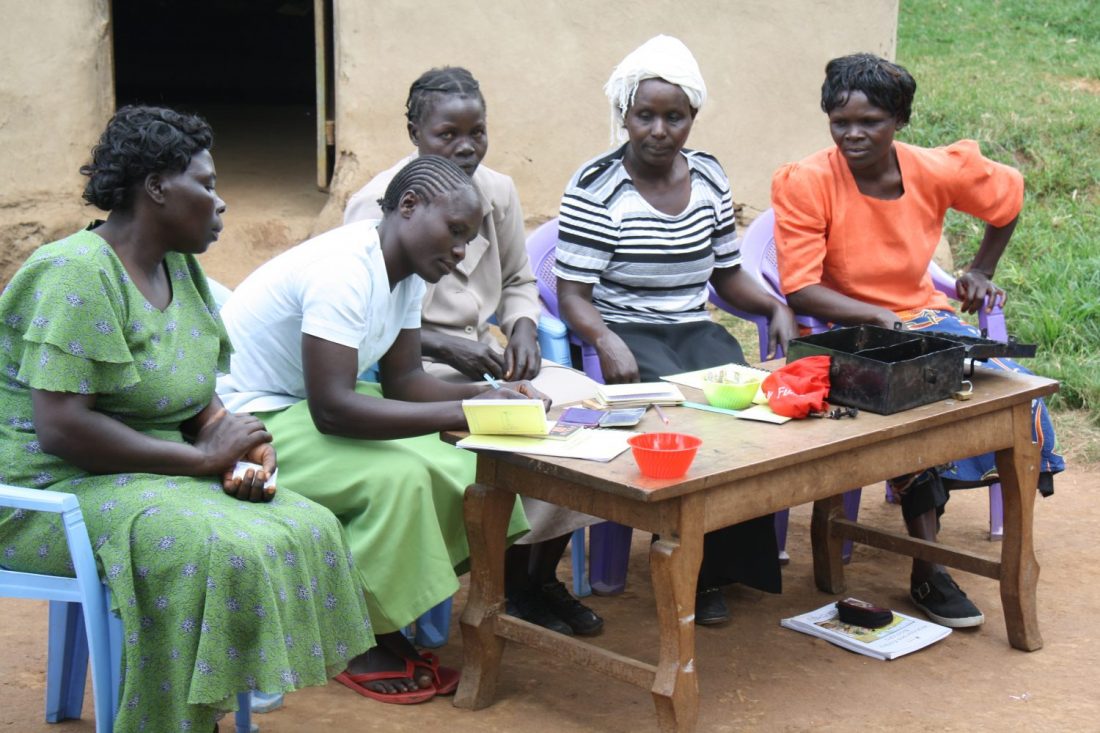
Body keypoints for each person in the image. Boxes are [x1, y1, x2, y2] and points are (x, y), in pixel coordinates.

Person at [0, 106, 375, 732]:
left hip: (144, 478)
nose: (220, 203)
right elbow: (62, 429)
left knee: (304, 525)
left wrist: (239, 444)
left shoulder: (181, 270)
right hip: (49, 493)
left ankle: (216, 702)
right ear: (155, 188)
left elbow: (197, 398)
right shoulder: (76, 273)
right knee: (213, 548)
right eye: (206, 184)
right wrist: (201, 459)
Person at [217, 155, 536, 704]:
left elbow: (406, 382)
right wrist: (462, 413)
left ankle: (389, 615)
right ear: (408, 206)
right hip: (249, 420)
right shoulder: (345, 268)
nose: (461, 251)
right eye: (454, 232)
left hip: (303, 404)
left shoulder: (406, 270)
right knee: (398, 478)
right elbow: (334, 412)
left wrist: (488, 399)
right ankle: (355, 633)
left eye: (469, 237)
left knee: (463, 460)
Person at [770, 53, 1065, 627]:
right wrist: (879, 317)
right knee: (913, 401)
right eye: (840, 122)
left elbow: (1008, 200)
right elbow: (803, 287)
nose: (853, 134)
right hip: (844, 330)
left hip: (922, 317)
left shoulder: (933, 168)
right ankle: (929, 570)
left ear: (899, 120)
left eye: (870, 122)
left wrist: (980, 269)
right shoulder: (807, 181)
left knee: (1011, 393)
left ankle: (979, 546)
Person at [344, 67, 603, 637]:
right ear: (414, 131)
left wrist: (525, 330)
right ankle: (502, 582)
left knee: (585, 406)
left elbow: (518, 279)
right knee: (514, 431)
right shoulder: (383, 204)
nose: (466, 147)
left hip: (486, 351)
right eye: (447, 134)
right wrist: (443, 344)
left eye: (477, 132)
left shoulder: (498, 191)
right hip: (411, 362)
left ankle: (535, 575)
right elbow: (366, 318)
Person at [554, 36, 799, 625]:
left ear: (692, 118)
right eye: (646, 115)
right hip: (627, 332)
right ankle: (694, 571)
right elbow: (572, 296)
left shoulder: (709, 175)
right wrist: (605, 339)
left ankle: (726, 565)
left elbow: (727, 274)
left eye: (675, 116)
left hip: (693, 327)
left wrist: (773, 308)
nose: (659, 130)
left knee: (748, 412)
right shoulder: (594, 186)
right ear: (625, 116)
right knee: (688, 422)